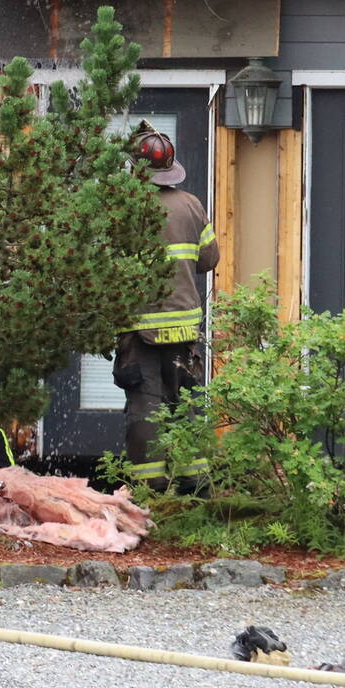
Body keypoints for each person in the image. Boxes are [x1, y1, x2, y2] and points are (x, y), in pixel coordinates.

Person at [114, 124, 218, 490]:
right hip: (185, 331)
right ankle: (197, 486)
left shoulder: (124, 208)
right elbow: (209, 259)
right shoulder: (191, 205)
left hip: (140, 332)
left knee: (146, 409)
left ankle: (151, 490)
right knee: (187, 406)